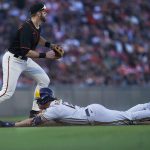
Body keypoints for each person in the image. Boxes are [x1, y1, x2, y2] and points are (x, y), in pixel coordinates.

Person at [0, 2, 64, 117]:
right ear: (38, 13)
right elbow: (26, 51)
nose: (46, 14)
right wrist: (45, 55)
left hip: (24, 60)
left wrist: (50, 45)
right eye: (44, 12)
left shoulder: (36, 25)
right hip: (13, 60)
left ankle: (35, 111)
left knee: (44, 80)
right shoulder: (27, 28)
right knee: (6, 93)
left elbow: (38, 38)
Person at [1, 87, 150, 127]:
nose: (38, 102)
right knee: (126, 115)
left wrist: (11, 124)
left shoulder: (54, 109)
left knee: (129, 118)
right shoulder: (55, 105)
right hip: (93, 112)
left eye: (40, 99)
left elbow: (34, 122)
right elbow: (40, 119)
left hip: (94, 116)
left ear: (45, 99)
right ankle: (146, 106)